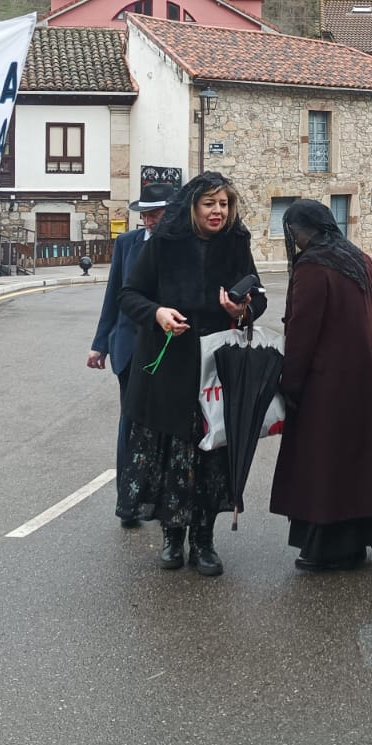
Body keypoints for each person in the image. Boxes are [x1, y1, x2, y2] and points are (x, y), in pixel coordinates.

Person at [119, 172, 265, 577]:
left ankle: (204, 541)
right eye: (209, 204)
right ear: (192, 206)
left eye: (224, 204)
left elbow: (259, 298)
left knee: (211, 456)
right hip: (168, 369)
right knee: (172, 456)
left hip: (215, 369)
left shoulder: (237, 242)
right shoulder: (165, 242)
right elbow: (129, 295)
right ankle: (172, 536)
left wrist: (242, 311)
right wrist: (158, 314)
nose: (218, 211)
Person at [270, 200, 372, 571]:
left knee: (324, 465)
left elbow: (301, 331)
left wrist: (289, 383)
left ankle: (325, 548)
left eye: (294, 231)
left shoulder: (312, 266)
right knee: (357, 462)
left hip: (324, 383)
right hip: (362, 375)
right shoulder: (358, 258)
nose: (294, 238)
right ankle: (355, 543)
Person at [88, 179, 177, 528]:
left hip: (168, 348)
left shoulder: (182, 245)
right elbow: (114, 295)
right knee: (130, 423)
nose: (150, 222)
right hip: (128, 348)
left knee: (164, 427)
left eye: (156, 215)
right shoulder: (127, 244)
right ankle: (128, 501)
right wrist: (100, 343)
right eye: (146, 215)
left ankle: (157, 496)